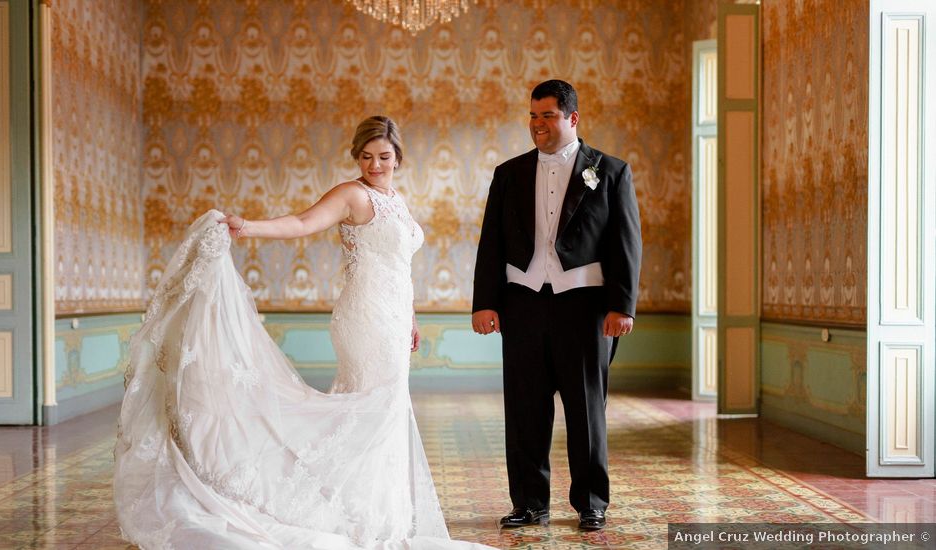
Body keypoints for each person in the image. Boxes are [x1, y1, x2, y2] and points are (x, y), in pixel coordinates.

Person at [114, 116, 492, 549]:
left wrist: (410, 317)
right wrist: (248, 226)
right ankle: (359, 515)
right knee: (374, 407)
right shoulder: (351, 194)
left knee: (380, 412)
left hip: (392, 318)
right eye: (366, 157)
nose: (375, 164)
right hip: (365, 319)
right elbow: (301, 222)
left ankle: (366, 509)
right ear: (357, 157)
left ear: (398, 158)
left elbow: (398, 267)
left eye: (384, 157)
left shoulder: (397, 200)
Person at [471, 80, 642, 531]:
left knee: (587, 408)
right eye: (532, 116)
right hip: (522, 302)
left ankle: (591, 502)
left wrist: (622, 306)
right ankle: (529, 503)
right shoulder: (508, 173)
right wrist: (485, 302)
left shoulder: (610, 171)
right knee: (525, 408)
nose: (538, 125)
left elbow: (625, 244)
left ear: (572, 119)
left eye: (547, 115)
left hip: (585, 307)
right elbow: (491, 243)